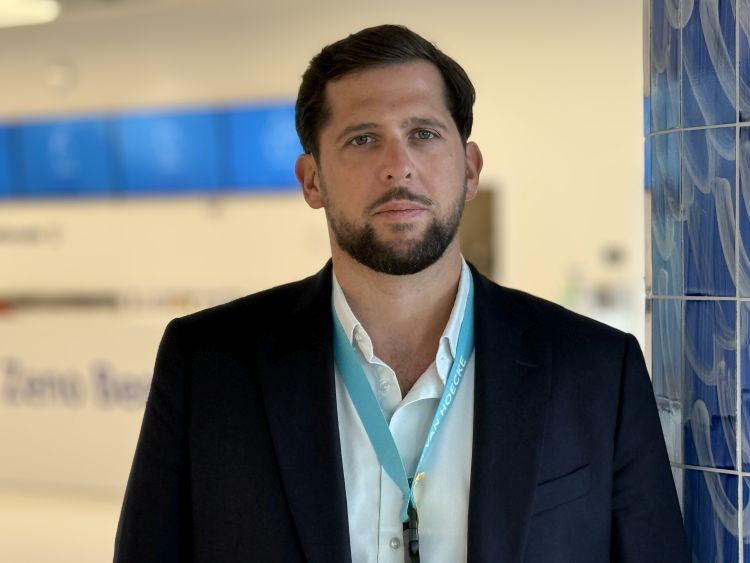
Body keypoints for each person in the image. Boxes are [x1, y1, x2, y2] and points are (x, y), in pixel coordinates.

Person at [114, 24, 689, 563]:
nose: (398, 167)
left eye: (424, 134)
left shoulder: (595, 370)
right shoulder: (210, 367)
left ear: (470, 169)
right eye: (363, 139)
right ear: (312, 180)